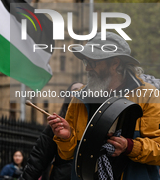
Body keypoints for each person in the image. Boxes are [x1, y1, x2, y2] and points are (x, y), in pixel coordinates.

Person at [48, 32, 160, 180]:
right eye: (86, 62)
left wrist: (129, 146)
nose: (87, 68)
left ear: (115, 63)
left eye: (92, 62)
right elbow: (67, 154)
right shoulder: (79, 98)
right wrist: (66, 137)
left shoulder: (149, 95)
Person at [21, 82, 83, 180]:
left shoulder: (95, 123)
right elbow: (38, 159)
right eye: (75, 90)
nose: (80, 92)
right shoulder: (56, 126)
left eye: (83, 89)